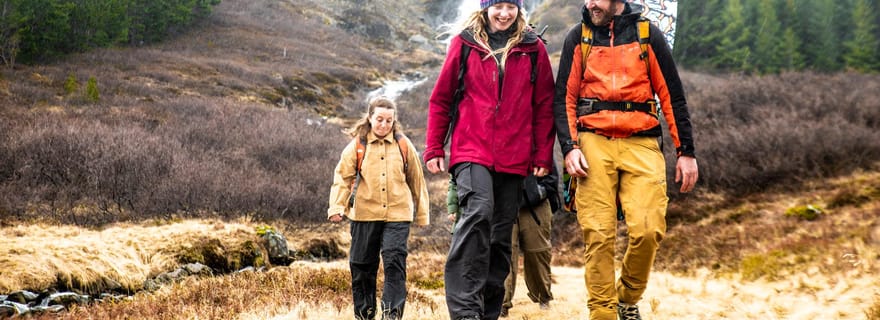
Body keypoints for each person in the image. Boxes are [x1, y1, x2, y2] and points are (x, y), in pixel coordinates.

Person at [552, 1, 699, 320]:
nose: (590, 3)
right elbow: (564, 97)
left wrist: (685, 151)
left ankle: (627, 297)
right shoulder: (578, 36)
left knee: (649, 229)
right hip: (592, 142)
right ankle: (602, 313)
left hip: (642, 141)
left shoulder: (648, 34)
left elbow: (672, 96)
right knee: (598, 234)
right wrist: (570, 147)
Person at [423, 0, 556, 319]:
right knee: (478, 212)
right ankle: (464, 310)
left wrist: (542, 154)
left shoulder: (533, 49)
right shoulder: (465, 43)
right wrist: (434, 147)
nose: (504, 14)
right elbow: (442, 99)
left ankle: (488, 311)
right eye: (498, 6)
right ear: (486, 8)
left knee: (499, 236)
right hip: (472, 149)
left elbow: (544, 105)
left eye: (511, 6)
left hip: (515, 156)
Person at [327, 97, 429, 320]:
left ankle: (391, 315)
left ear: (394, 121)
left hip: (398, 214)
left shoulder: (404, 145)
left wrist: (422, 214)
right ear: (370, 118)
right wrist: (336, 206)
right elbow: (343, 178)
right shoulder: (357, 145)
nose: (384, 125)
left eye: (389, 121)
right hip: (364, 214)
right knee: (362, 266)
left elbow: (417, 180)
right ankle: (365, 314)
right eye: (380, 119)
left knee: (394, 263)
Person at [500, 169, 559, 317]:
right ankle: (501, 305)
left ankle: (544, 299)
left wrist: (537, 193)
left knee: (538, 252)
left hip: (536, 205)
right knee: (503, 254)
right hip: (503, 204)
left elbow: (552, 176)